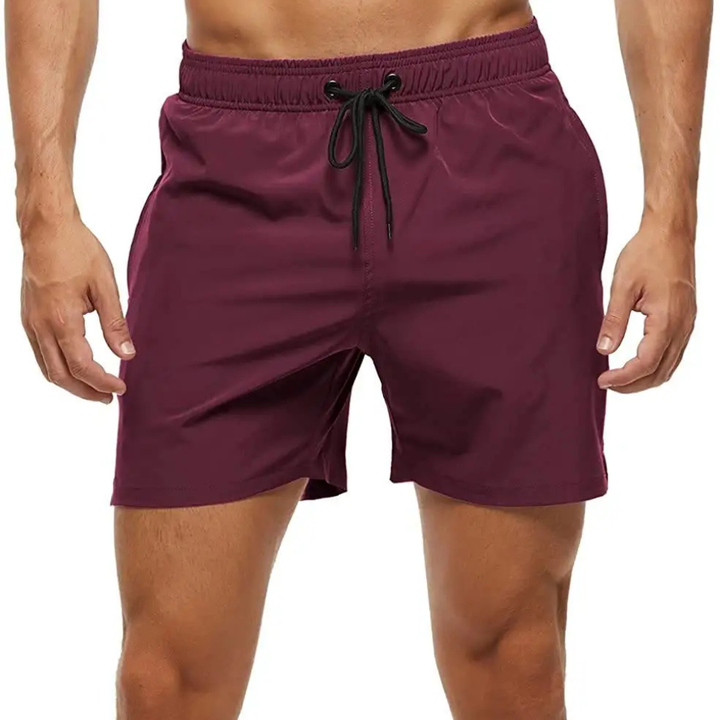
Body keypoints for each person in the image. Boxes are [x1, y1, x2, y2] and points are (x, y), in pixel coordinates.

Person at [5, 0, 711, 717]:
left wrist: (672, 219)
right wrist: (45, 215)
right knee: (162, 679)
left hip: (491, 145)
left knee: (515, 656)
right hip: (233, 166)